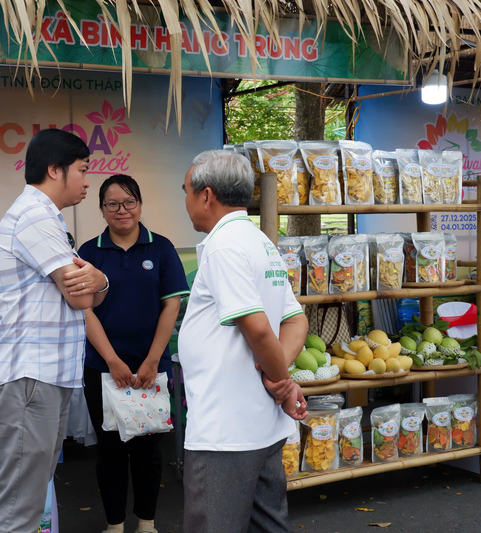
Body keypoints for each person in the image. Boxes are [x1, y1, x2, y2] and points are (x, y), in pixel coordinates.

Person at [178, 149, 309, 532]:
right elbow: (296, 321)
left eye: (185, 191)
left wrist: (281, 383)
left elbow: (258, 329)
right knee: (268, 525)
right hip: (260, 425)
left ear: (206, 195)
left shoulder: (224, 246)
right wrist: (281, 382)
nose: (185, 201)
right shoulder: (260, 241)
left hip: (226, 430)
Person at [0, 128, 110, 532]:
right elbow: (80, 297)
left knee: (30, 497)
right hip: (31, 375)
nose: (87, 180)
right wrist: (98, 281)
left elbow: (92, 290)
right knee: (20, 506)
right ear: (55, 170)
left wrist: (100, 281)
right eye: (82, 170)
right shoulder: (34, 216)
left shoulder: (47, 219)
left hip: (45, 375)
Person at [78, 174, 190, 533]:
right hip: (102, 368)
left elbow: (170, 306)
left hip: (150, 369)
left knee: (148, 450)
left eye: (129, 202)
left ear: (140, 205)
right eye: (112, 204)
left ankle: (146, 522)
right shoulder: (88, 253)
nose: (121, 211)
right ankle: (114, 525)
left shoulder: (161, 248)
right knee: (109, 451)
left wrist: (153, 359)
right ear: (101, 209)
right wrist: (112, 361)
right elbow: (84, 311)